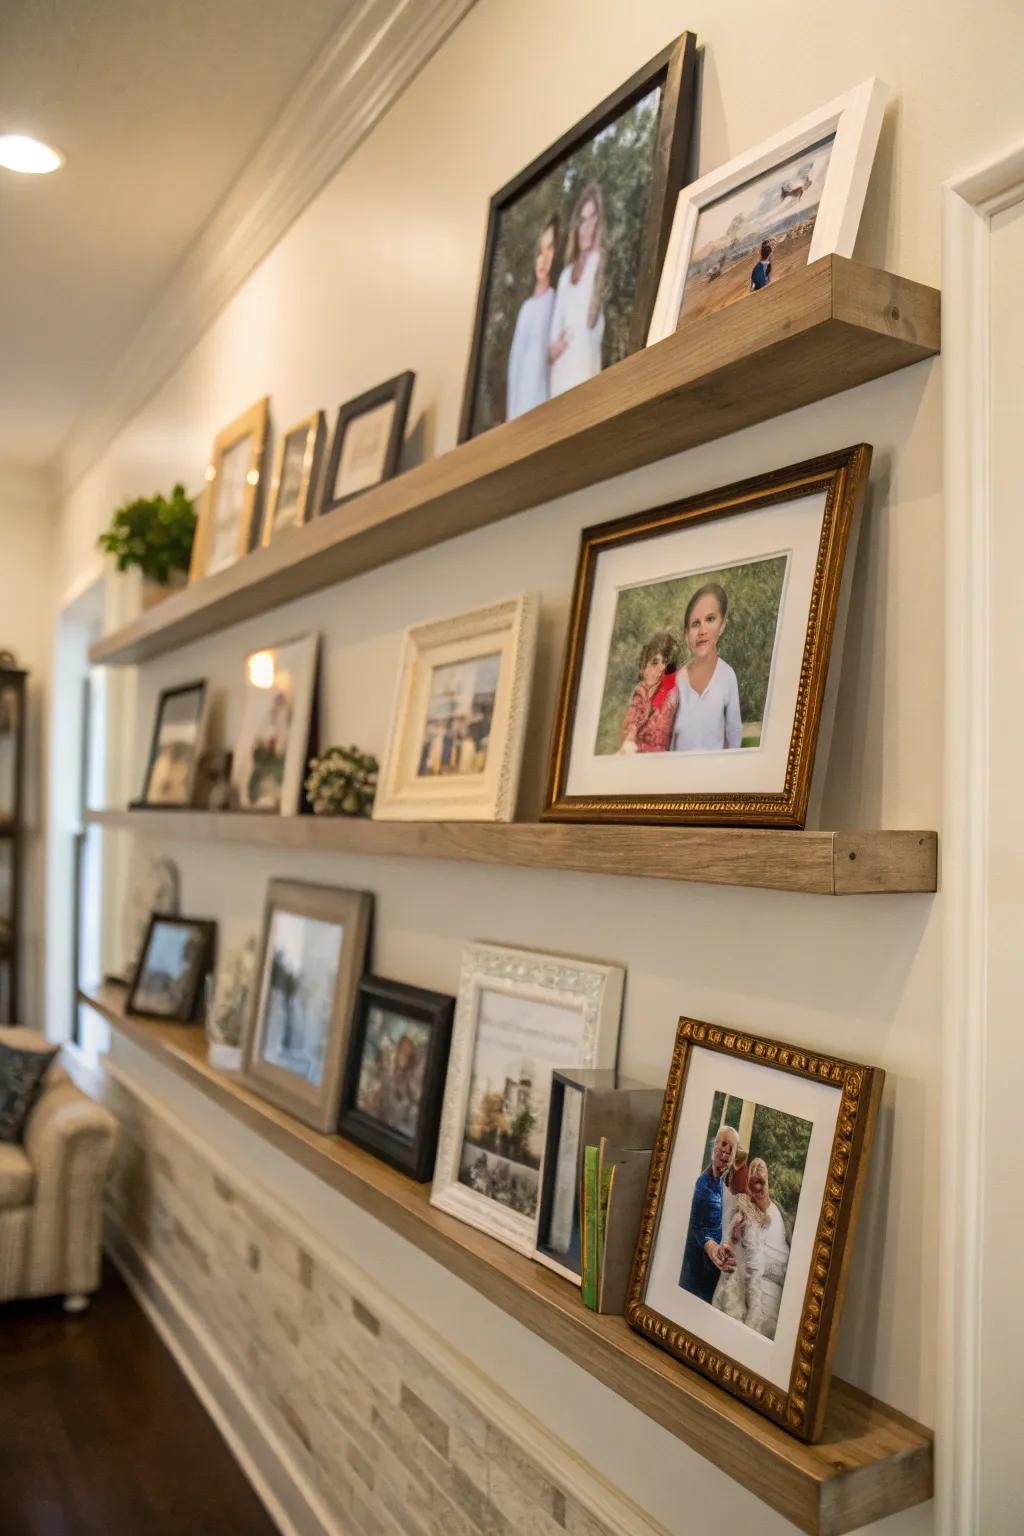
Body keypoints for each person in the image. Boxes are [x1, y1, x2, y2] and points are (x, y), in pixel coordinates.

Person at [712, 1157, 791, 1338]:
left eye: (760, 1168)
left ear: (767, 1177)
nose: (756, 1172)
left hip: (775, 1303)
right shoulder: (742, 1214)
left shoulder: (782, 1217)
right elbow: (729, 1253)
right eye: (752, 1170)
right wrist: (733, 1236)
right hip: (745, 1297)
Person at [548, 182, 606, 397]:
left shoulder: (599, 264)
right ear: (576, 225)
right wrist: (555, 348)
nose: (587, 228)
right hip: (560, 376)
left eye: (593, 219)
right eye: (583, 220)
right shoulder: (565, 276)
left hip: (586, 373)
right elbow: (554, 335)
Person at [671, 583, 743, 752]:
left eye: (710, 619)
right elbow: (669, 739)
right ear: (686, 634)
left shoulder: (727, 676)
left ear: (722, 625)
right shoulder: (677, 681)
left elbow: (734, 734)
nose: (702, 630)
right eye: (695, 624)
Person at [506, 214, 560, 421]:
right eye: (540, 250)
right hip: (520, 406)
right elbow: (515, 363)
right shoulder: (526, 308)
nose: (544, 258)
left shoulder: (556, 300)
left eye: (550, 249)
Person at [679, 1124, 739, 1303]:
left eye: (731, 1149)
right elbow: (696, 1226)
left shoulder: (721, 1187)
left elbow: (713, 1226)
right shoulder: (700, 1184)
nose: (726, 1153)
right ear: (714, 1147)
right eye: (723, 1145)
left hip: (709, 1275)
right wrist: (712, 1247)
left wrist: (726, 1244)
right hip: (691, 1274)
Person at [620, 631, 679, 753]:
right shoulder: (640, 694)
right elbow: (632, 726)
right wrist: (629, 740)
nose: (661, 668)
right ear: (643, 669)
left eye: (664, 663)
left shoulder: (669, 693)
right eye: (654, 663)